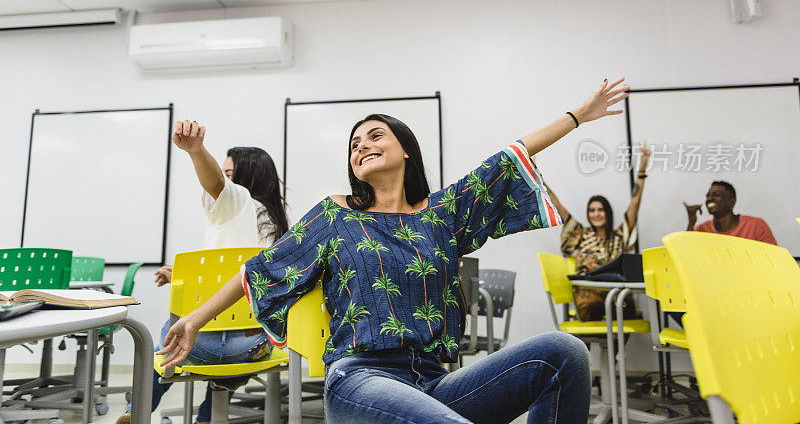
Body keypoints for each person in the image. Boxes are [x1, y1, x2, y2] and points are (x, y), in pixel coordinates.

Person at [158, 78, 629, 424]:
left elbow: (508, 158)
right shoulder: (335, 216)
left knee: (563, 353)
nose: (362, 146)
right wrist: (195, 319)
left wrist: (578, 116)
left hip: (433, 380)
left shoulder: (442, 213)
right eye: (354, 145)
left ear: (406, 149)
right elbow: (259, 272)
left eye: (375, 136)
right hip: (362, 380)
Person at [117, 120, 289, 424]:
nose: (223, 179)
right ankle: (208, 417)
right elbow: (243, 284)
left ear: (246, 178)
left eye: (230, 173)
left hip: (199, 346)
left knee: (171, 334)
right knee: (237, 318)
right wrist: (187, 276)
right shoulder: (279, 227)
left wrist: (197, 153)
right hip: (256, 349)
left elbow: (216, 185)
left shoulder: (238, 200)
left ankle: (138, 411)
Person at [547, 143, 650, 321]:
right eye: (592, 210)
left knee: (626, 312)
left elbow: (634, 204)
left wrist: (641, 169)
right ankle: (587, 348)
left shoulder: (619, 236)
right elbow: (557, 205)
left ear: (607, 212)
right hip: (589, 294)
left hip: (616, 293)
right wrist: (536, 175)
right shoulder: (581, 233)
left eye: (600, 209)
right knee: (590, 309)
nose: (596, 214)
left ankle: (614, 349)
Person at [683, 181, 777, 245]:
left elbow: (773, 259)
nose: (709, 199)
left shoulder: (756, 225)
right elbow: (685, 255)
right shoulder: (701, 229)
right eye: (708, 196)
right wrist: (691, 222)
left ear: (732, 201)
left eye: (717, 195)